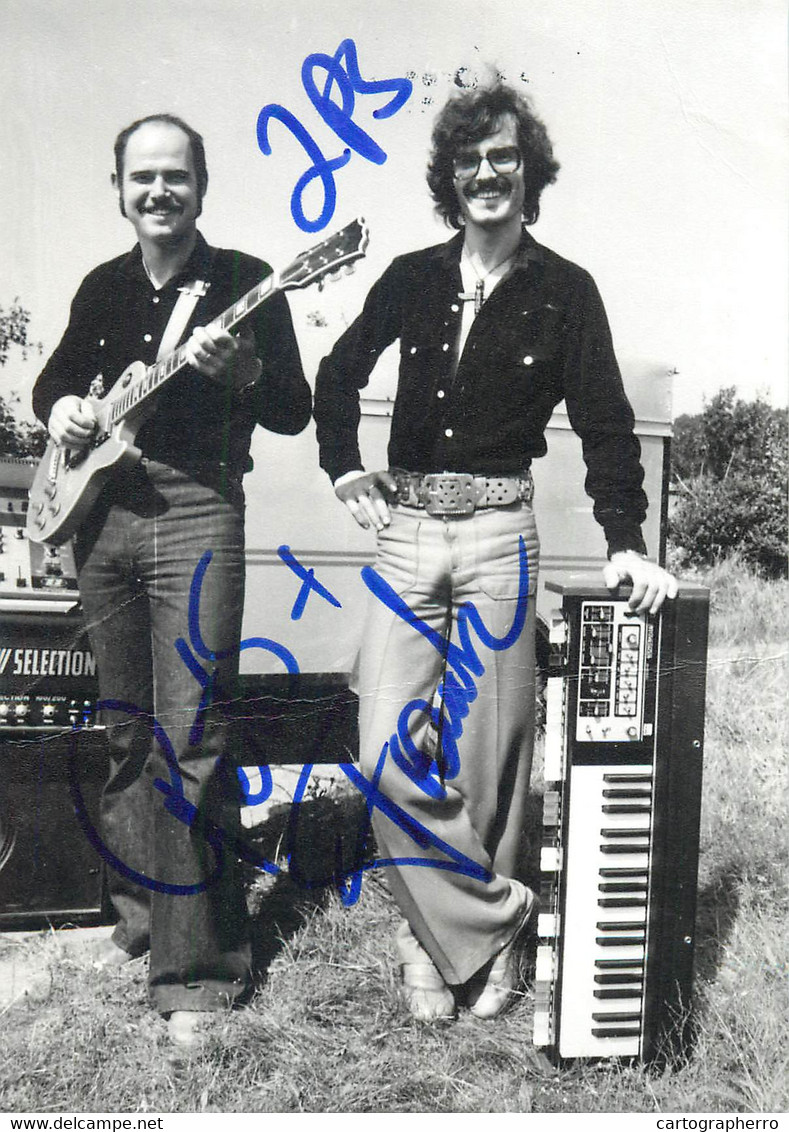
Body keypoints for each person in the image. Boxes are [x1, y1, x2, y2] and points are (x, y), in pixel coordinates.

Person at [313, 83, 677, 1023]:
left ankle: (437, 949)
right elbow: (337, 371)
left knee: (493, 758)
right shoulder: (408, 275)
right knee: (385, 752)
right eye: (470, 160)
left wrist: (626, 543)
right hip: (405, 537)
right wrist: (343, 465)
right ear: (449, 176)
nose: (487, 174)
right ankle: (489, 920)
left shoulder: (565, 290)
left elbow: (604, 425)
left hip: (501, 535)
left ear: (529, 172)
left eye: (504, 158)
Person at [32, 113, 311, 1049]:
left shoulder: (247, 281)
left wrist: (243, 372)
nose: (159, 192)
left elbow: (291, 409)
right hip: (103, 518)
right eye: (142, 177)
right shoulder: (100, 287)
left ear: (203, 184)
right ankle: (143, 919)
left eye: (176, 176)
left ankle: (196, 976)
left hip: (197, 509)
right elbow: (52, 388)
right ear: (119, 189)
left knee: (192, 732)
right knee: (125, 730)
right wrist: (67, 408)